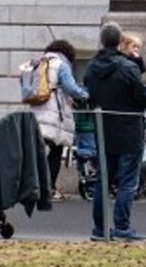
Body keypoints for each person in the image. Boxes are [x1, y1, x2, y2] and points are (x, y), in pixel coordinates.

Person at [83, 22, 146, 241]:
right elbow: (144, 95)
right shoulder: (127, 67)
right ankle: (121, 227)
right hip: (129, 128)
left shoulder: (92, 66)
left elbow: (89, 93)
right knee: (127, 182)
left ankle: (99, 228)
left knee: (104, 180)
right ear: (120, 41)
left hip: (104, 128)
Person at [24, 39, 89, 199]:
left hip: (36, 111)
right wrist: (85, 95)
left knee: (38, 151)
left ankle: (32, 187)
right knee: (55, 150)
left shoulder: (38, 62)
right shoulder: (61, 64)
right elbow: (71, 87)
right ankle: (49, 189)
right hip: (54, 113)